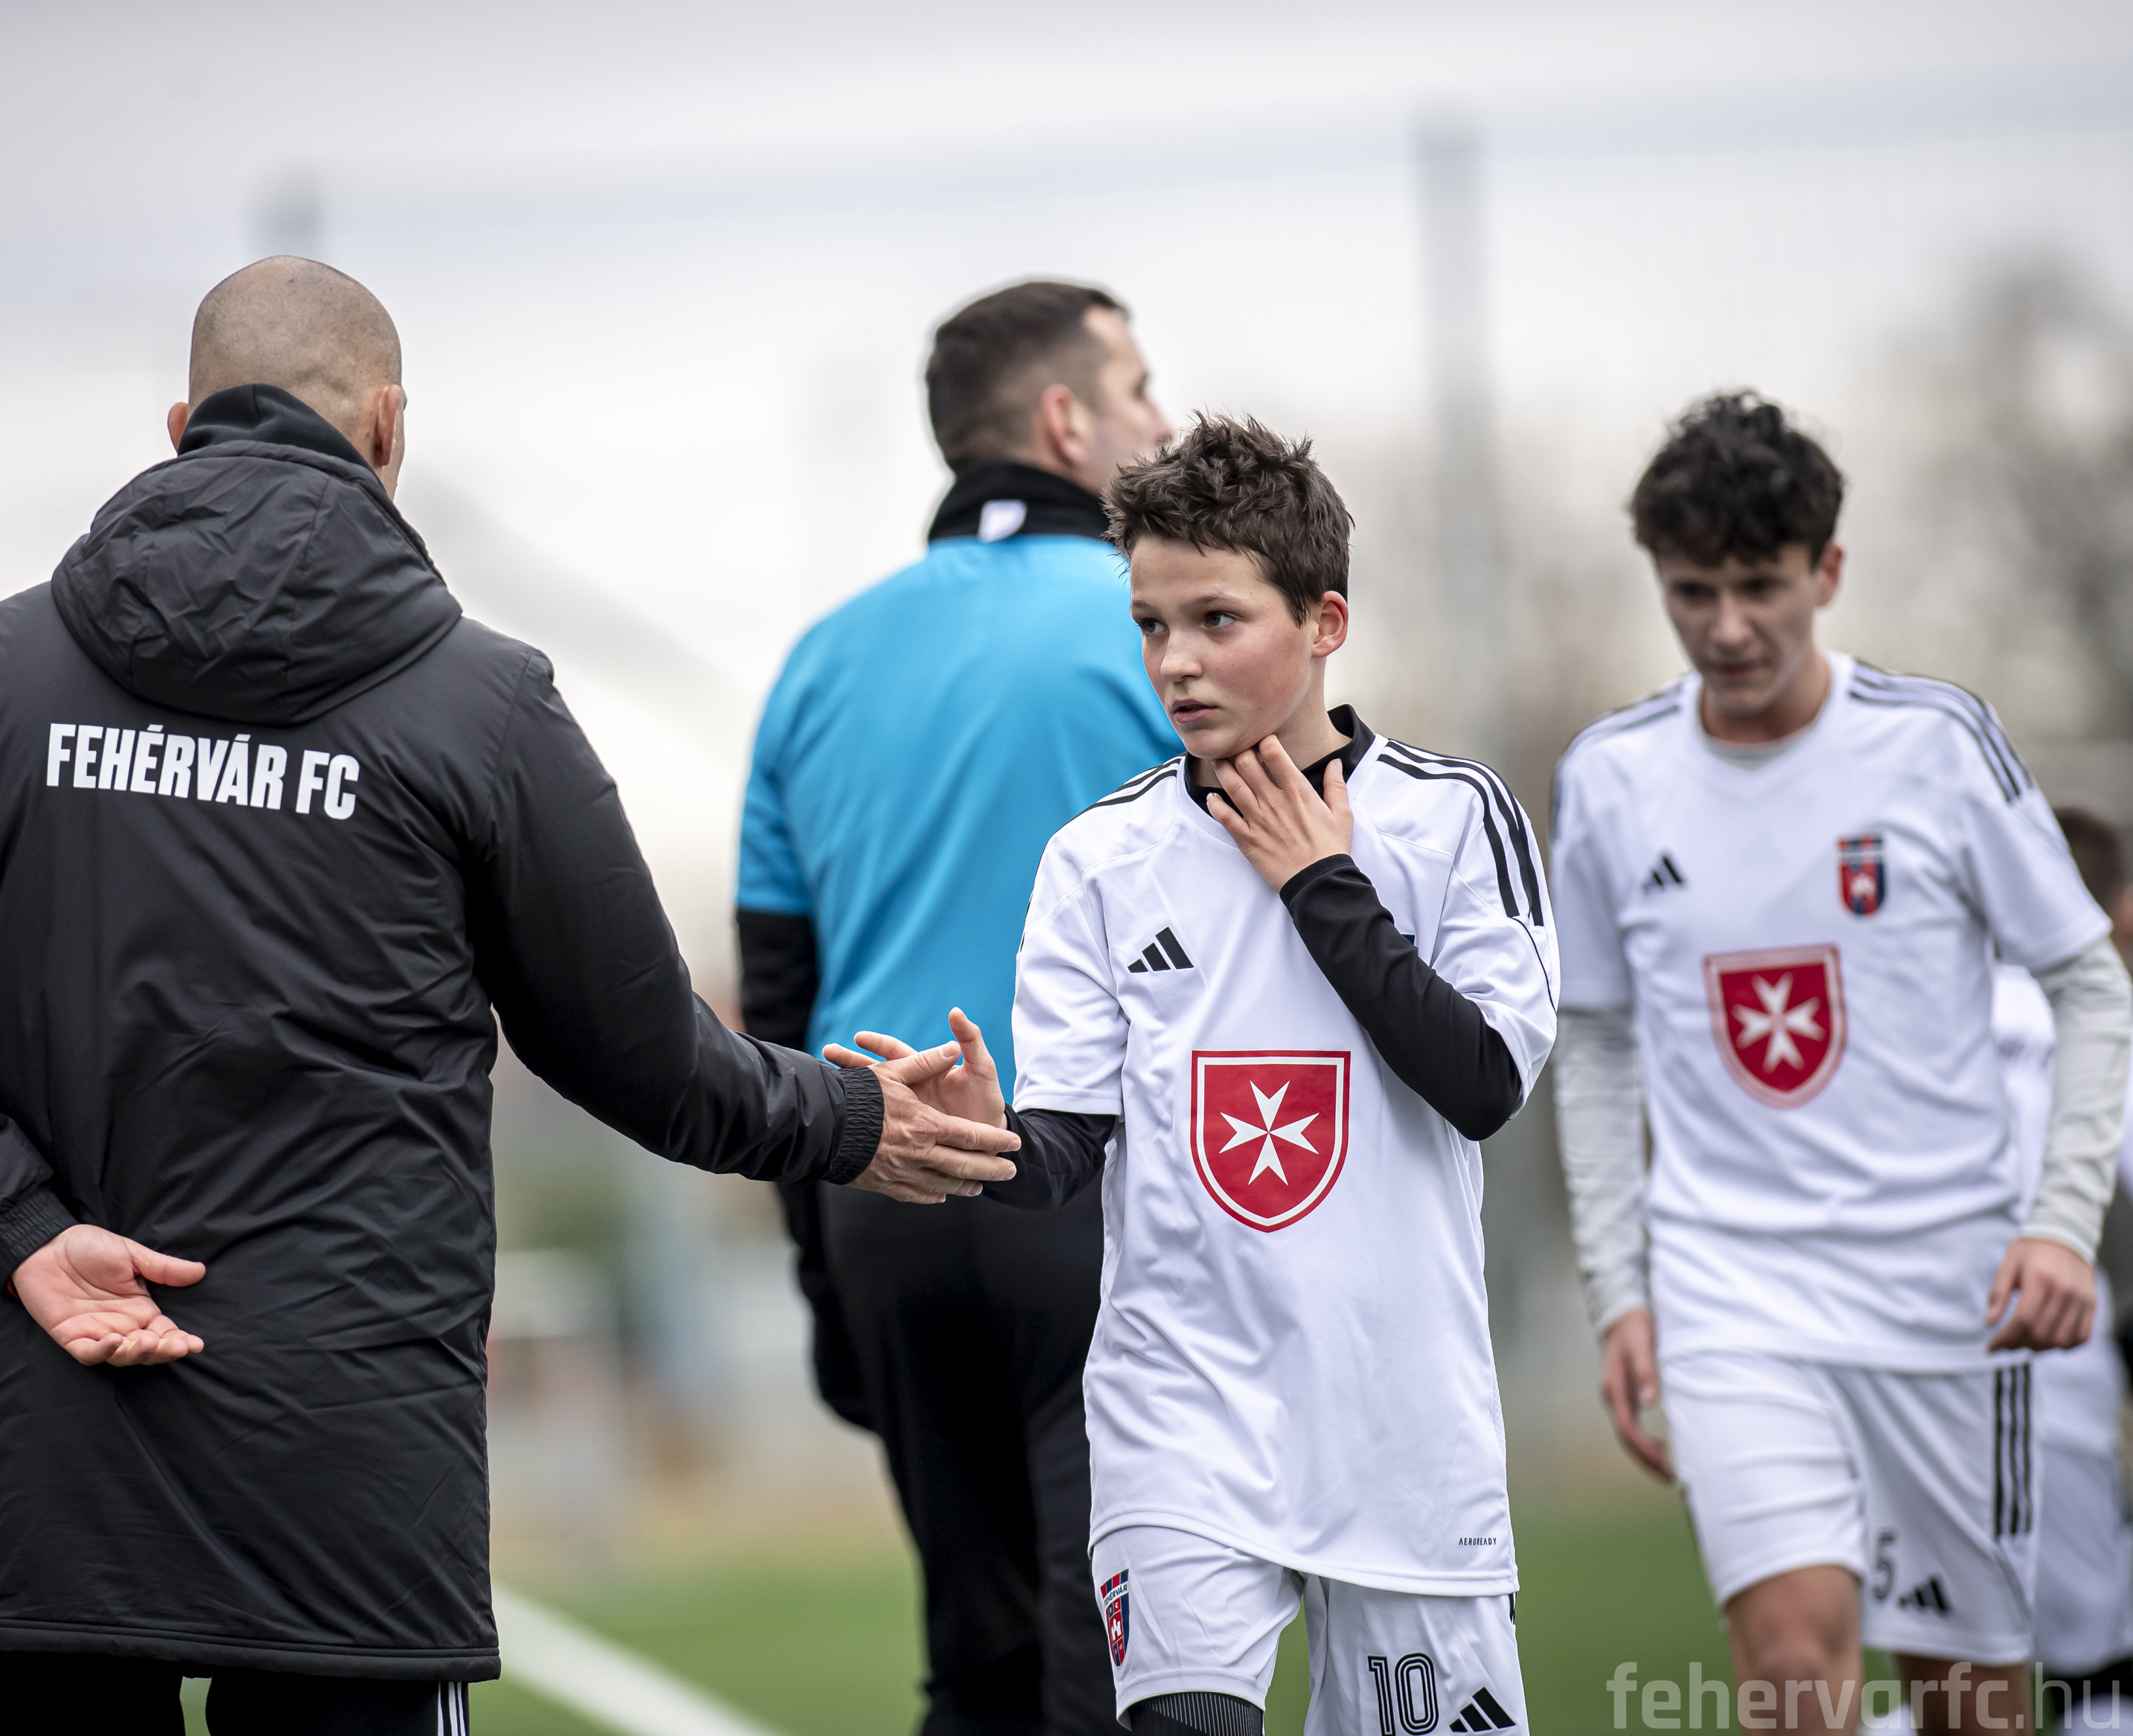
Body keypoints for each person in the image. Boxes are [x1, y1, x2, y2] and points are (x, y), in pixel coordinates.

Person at [0, 256, 1019, 1735]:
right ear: (387, 426)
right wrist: (848, 1115)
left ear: (181, 427)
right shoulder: (480, 702)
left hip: (48, 1451)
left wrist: (21, 1227)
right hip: (347, 1459)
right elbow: (639, 1051)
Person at [889, 413, 1558, 1735]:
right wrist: (989, 1138)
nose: (1176, 661)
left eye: (1216, 619)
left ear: (1324, 621)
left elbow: (1484, 1082)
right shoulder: (1098, 857)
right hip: (1181, 1416)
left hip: (1401, 1432)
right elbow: (1067, 1148)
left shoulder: (1451, 816)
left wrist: (1322, 885)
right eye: (1151, 624)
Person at [1551, 393, 2133, 1732]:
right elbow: (1595, 1042)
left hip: (1947, 1293)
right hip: (1732, 1290)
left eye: (1760, 585)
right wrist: (1622, 1289)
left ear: (1828, 570)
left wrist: (2059, 1222)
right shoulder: (1612, 776)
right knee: (1791, 1666)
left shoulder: (1936, 746)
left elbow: (2089, 982)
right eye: (1693, 591)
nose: (1727, 627)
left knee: (1967, 1703)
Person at [735, 278, 1177, 1736]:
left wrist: (822, 1270)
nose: (1162, 420)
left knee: (977, 1668)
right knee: (1121, 1663)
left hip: (883, 1205)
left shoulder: (816, 660)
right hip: (1095, 1199)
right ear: (1066, 421)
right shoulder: (1167, 630)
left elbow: (778, 998)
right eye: (1138, 389)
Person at [1989, 809, 2133, 1729]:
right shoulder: (2097, 1021)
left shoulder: (1923, 1009)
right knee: (2096, 1674)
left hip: (1901, 1380)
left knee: (1957, 1673)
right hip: (2057, 1381)